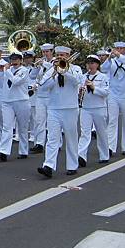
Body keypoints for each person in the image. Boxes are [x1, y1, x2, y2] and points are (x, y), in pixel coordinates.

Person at [37, 46, 84, 178]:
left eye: (63, 55)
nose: (60, 57)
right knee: (52, 139)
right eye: (58, 55)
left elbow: (77, 82)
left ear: (68, 55)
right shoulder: (52, 69)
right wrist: (54, 74)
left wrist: (64, 71)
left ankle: (72, 165)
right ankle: (48, 166)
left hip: (70, 108)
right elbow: (43, 86)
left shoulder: (76, 69)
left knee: (71, 138)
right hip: (54, 108)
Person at [101, 41, 125, 156]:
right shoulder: (111, 62)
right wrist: (109, 58)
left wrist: (119, 56)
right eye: (117, 48)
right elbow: (103, 69)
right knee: (112, 120)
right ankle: (110, 147)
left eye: (121, 48)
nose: (118, 50)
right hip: (113, 94)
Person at [0, 51, 31, 161]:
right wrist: (2, 71)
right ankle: (3, 151)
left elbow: (16, 81)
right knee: (7, 127)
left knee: (22, 128)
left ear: (21, 61)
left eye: (16, 59)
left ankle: (23, 151)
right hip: (8, 102)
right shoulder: (7, 70)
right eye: (12, 59)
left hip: (21, 101)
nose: (14, 62)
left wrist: (6, 71)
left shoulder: (24, 71)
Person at [78, 55, 110, 167]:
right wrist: (80, 91)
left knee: (101, 133)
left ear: (97, 64)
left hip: (99, 108)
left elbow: (106, 92)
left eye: (92, 63)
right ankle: (81, 156)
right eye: (88, 63)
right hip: (86, 108)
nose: (90, 65)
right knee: (85, 133)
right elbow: (78, 90)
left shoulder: (103, 77)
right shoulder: (82, 77)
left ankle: (104, 155)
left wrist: (94, 87)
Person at [30, 43, 55, 153]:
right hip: (40, 96)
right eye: (43, 52)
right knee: (39, 120)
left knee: (52, 122)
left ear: (52, 52)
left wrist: (43, 63)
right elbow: (32, 76)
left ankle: (55, 143)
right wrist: (36, 67)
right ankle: (39, 143)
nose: (45, 54)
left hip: (51, 96)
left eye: (47, 51)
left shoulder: (55, 62)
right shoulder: (41, 64)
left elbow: (53, 69)